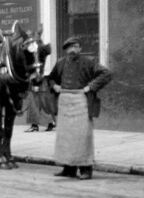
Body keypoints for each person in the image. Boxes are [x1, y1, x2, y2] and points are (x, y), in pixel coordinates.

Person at [47, 37, 112, 180]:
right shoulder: (60, 64)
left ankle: (86, 170)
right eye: (69, 48)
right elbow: (50, 78)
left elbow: (107, 73)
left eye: (75, 47)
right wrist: (54, 86)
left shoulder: (89, 62)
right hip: (65, 103)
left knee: (83, 137)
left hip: (81, 102)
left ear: (80, 49)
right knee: (66, 138)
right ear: (65, 50)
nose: (72, 50)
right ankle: (69, 169)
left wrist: (92, 86)